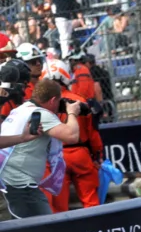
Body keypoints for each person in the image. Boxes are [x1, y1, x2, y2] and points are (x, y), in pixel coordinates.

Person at [0, 79, 79, 219]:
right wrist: (71, 112)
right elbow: (72, 136)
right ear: (53, 100)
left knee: (20, 230)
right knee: (45, 229)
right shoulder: (41, 114)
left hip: (8, 179)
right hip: (20, 184)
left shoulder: (20, 109)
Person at [49, 77, 102, 212]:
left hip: (57, 156)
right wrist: (97, 155)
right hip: (80, 153)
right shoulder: (80, 100)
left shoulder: (46, 102)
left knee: (59, 207)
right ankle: (95, 230)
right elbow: (92, 132)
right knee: (91, 202)